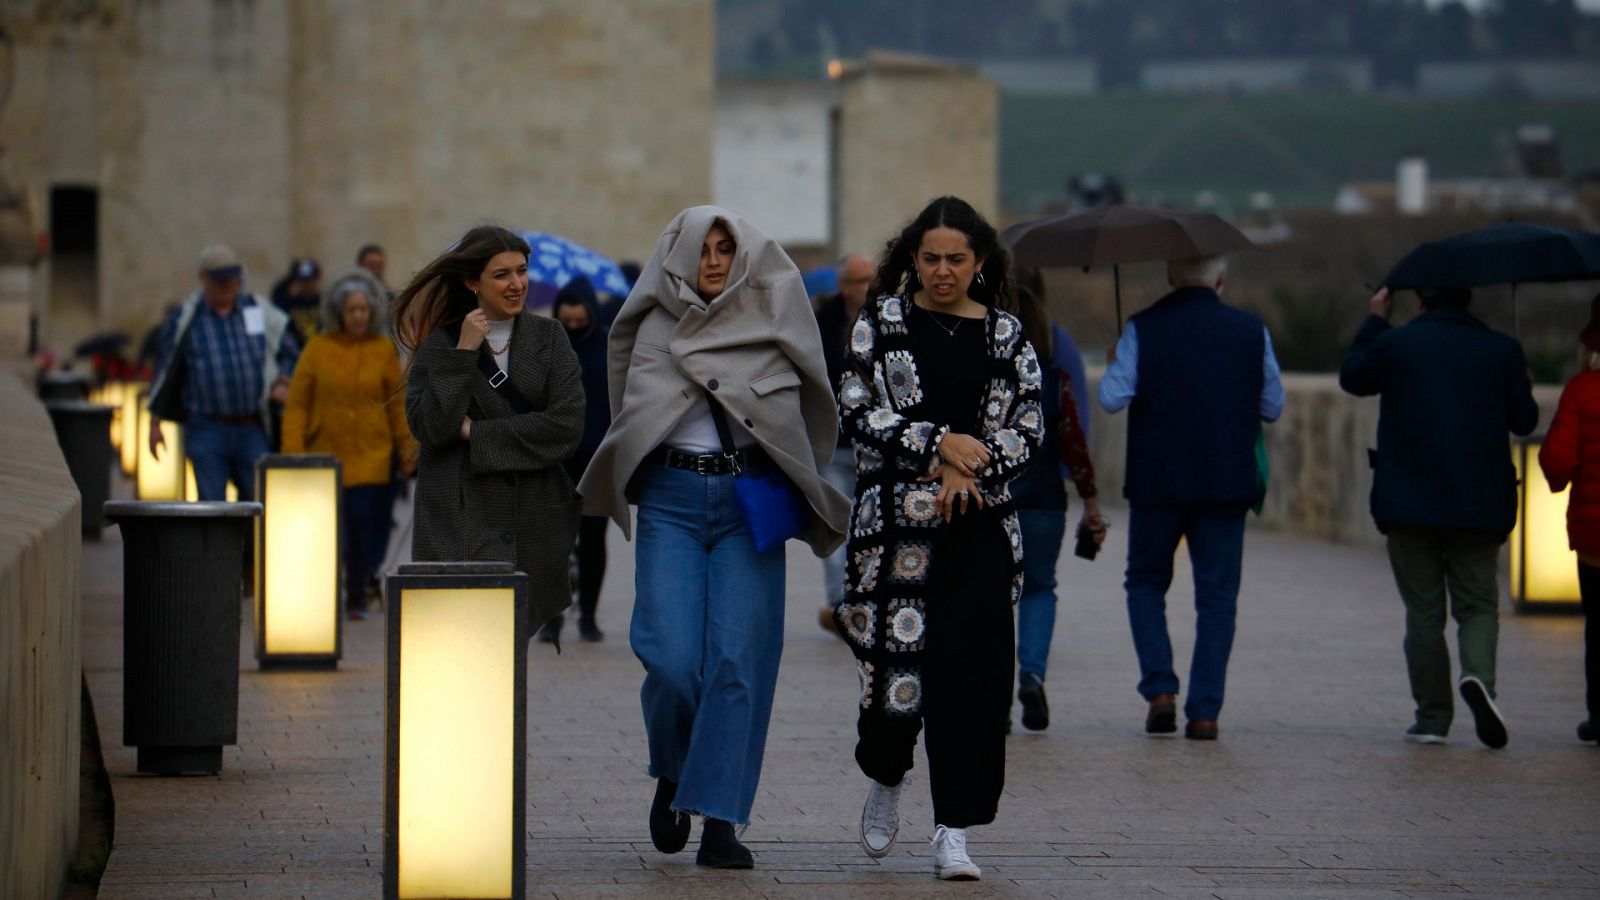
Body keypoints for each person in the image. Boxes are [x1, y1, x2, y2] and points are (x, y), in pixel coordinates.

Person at [578, 206, 849, 870]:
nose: (716, 259)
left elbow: (814, 401)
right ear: (679, 254)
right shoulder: (649, 323)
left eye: (728, 248)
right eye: (704, 247)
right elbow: (628, 404)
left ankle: (721, 819)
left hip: (748, 502)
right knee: (670, 658)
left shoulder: (774, 311)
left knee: (738, 662)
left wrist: (800, 473)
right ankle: (675, 771)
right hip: (669, 499)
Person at [837, 196, 1043, 881]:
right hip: (897, 532)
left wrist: (970, 464)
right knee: (896, 674)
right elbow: (859, 408)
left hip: (979, 527)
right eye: (931, 258)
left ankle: (953, 829)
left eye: (957, 258)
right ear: (914, 259)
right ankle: (888, 776)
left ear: (979, 261)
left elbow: (1029, 424)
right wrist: (939, 446)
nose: (943, 270)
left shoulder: (1007, 336)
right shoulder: (882, 321)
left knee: (976, 681)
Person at [1098, 253, 1283, 742]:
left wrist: (1122, 356)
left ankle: (1160, 691)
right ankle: (1205, 712)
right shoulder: (1250, 330)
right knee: (1217, 598)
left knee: (1144, 583)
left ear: (1169, 277)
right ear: (1219, 280)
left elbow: (1112, 398)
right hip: (1225, 483)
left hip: (1157, 483)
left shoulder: (1144, 327)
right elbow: (1273, 405)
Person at [1343, 285, 1537, 748]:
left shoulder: (1394, 344)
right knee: (1478, 604)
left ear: (1418, 299)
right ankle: (1478, 679)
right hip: (1478, 502)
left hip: (1409, 501)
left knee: (1424, 611)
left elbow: (1354, 377)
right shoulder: (1500, 348)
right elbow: (1525, 421)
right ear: (1469, 297)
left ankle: (1432, 717)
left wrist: (1375, 320)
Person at [395, 225, 585, 639]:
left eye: (521, 271)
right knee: (464, 637)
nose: (517, 284)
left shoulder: (549, 338)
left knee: (508, 639)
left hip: (530, 517)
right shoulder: (441, 345)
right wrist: (463, 352)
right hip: (460, 517)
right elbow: (430, 426)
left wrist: (476, 435)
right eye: (502, 275)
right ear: (471, 282)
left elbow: (566, 426)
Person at [281, 267, 416, 620]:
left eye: (363, 309)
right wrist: (293, 453)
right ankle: (330, 591)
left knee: (367, 527)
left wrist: (407, 450)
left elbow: (396, 404)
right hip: (326, 455)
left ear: (371, 311)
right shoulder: (318, 349)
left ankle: (357, 591)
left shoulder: (383, 349)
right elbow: (297, 403)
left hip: (373, 456)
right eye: (351, 310)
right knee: (331, 531)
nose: (358, 316)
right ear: (338, 312)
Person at [1007, 269, 1105, 731]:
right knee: (1040, 588)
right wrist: (1089, 499)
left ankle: (995, 697)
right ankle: (1031, 674)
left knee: (991, 597)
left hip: (996, 500)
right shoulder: (1057, 365)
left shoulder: (989, 366)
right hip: (1046, 500)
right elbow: (1075, 437)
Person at [148, 244, 300, 501]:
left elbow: (290, 349)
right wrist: (155, 423)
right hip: (207, 427)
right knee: (212, 503)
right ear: (204, 280)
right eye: (220, 280)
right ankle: (218, 543)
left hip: (251, 424)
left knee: (259, 499)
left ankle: (250, 543)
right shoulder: (187, 319)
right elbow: (165, 369)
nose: (228, 285)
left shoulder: (256, 309)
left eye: (233, 278)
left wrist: (283, 380)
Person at [1539, 293, 1600, 746]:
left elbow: (1558, 463)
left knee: (1598, 629)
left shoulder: (1582, 390)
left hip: (1595, 537)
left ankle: (1599, 716)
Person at [538, 276, 611, 644]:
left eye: (580, 322)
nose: (573, 327)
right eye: (567, 322)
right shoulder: (546, 347)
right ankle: (551, 617)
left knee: (594, 541)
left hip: (596, 461)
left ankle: (588, 615)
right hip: (556, 462)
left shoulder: (608, 345)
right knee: (553, 544)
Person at [813, 252, 876, 635]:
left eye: (871, 278)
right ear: (843, 285)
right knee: (838, 525)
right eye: (858, 280)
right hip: (832, 443)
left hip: (874, 444)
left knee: (871, 527)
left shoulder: (888, 320)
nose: (866, 287)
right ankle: (839, 604)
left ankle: (866, 600)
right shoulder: (822, 323)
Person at [271, 257, 323, 345]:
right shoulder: (287, 303)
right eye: (302, 281)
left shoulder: (323, 302)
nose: (306, 285)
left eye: (310, 281)